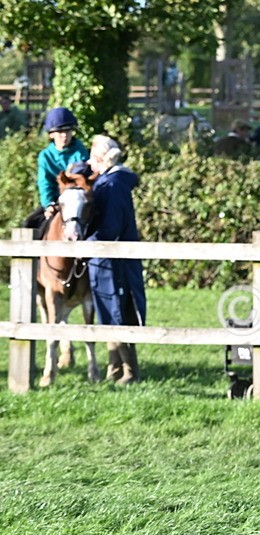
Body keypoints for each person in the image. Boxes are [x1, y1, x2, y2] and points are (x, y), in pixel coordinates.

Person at [85, 135, 146, 385]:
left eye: (92, 157)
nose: (88, 163)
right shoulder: (109, 180)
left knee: (117, 311)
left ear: (101, 159)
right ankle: (115, 368)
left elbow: (111, 227)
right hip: (104, 258)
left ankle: (129, 370)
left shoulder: (114, 183)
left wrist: (85, 246)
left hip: (112, 259)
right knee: (108, 311)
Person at [24, 107, 88, 237]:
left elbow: (82, 179)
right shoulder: (45, 156)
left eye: (67, 131)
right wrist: (49, 204)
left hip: (77, 200)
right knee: (29, 224)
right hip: (55, 200)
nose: (64, 136)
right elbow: (44, 183)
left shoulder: (80, 151)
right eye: (60, 132)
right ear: (51, 134)